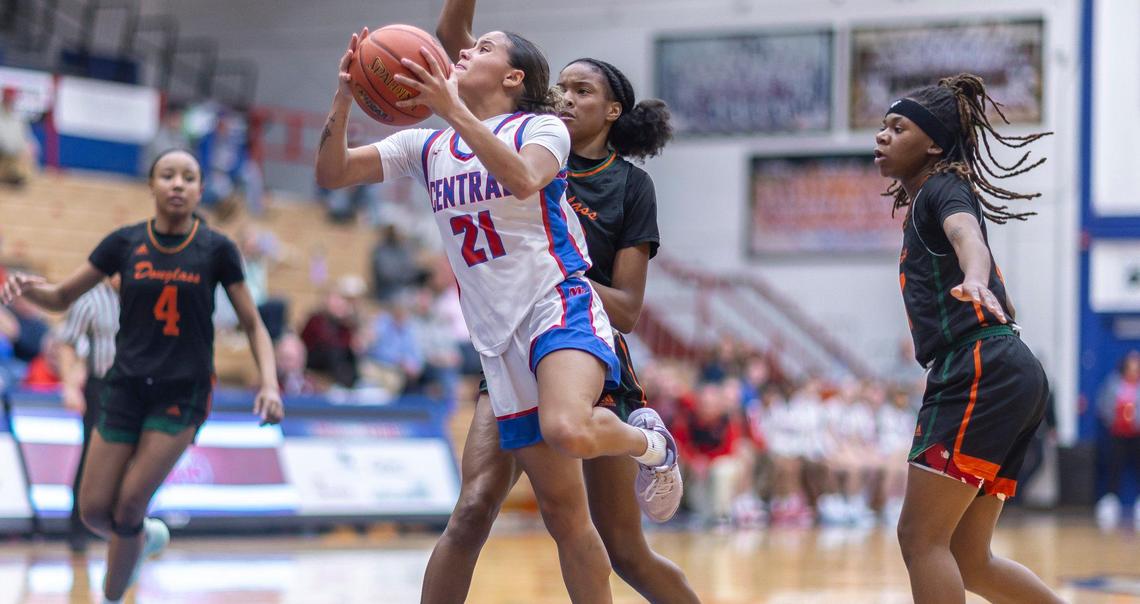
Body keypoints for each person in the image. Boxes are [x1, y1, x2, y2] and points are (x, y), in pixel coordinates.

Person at [315, 22, 679, 603]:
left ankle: (651, 446)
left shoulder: (542, 128)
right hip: (497, 341)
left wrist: (452, 108)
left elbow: (524, 177)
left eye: (482, 48)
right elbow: (332, 173)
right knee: (556, 515)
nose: (464, 51)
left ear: (513, 77)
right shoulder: (426, 147)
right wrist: (344, 96)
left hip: (558, 306)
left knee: (568, 427)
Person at [1, 148, 283, 604]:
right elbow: (60, 297)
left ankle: (112, 595)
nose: (177, 184)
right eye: (167, 175)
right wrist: (28, 288)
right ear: (151, 186)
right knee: (94, 512)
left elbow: (253, 323)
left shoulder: (216, 249)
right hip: (124, 387)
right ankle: (146, 536)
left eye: (188, 177)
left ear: (199, 190)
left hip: (182, 392)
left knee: (129, 503)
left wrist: (269, 383)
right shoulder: (124, 243)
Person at [876, 73, 1061, 603]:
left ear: (932, 143)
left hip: (980, 365)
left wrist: (975, 277)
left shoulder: (942, 187)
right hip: (1008, 368)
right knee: (968, 558)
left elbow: (967, 236)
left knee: (919, 537)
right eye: (882, 127)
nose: (882, 137)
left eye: (898, 127)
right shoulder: (930, 195)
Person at [56, 274, 120, 553]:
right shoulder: (90, 300)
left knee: (128, 461)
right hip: (100, 385)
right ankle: (77, 528)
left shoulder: (140, 297)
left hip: (132, 387)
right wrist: (70, 386)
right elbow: (67, 343)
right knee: (91, 457)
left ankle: (121, 527)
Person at [1095, 350, 1140, 529]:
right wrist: (1112, 418)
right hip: (1117, 434)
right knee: (1114, 468)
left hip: (1137, 435)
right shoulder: (1113, 383)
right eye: (1131, 365)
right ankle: (1110, 504)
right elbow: (1103, 403)